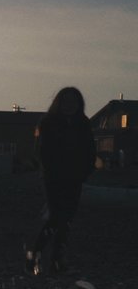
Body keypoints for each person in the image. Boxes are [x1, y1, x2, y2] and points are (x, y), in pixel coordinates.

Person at [25, 87, 95, 275]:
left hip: (75, 177)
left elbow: (90, 149)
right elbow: (41, 151)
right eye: (66, 101)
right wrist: (49, 170)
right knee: (56, 217)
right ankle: (36, 255)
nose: (70, 105)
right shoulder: (48, 123)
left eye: (74, 102)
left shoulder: (83, 123)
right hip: (53, 178)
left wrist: (86, 170)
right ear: (59, 103)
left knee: (67, 219)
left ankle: (55, 259)